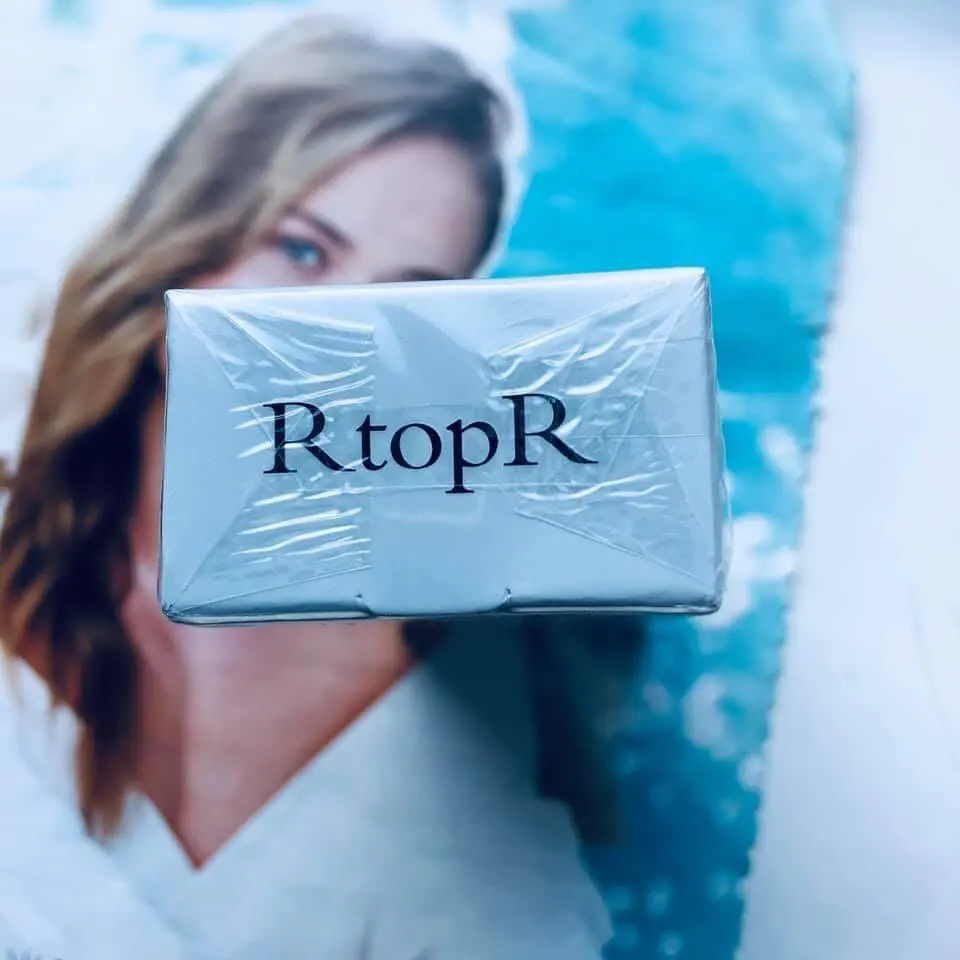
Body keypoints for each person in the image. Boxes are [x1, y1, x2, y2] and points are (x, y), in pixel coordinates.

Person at [0, 14, 641, 960]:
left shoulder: (468, 729)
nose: (338, 334)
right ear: (184, 247)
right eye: (303, 251)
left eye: (405, 297)